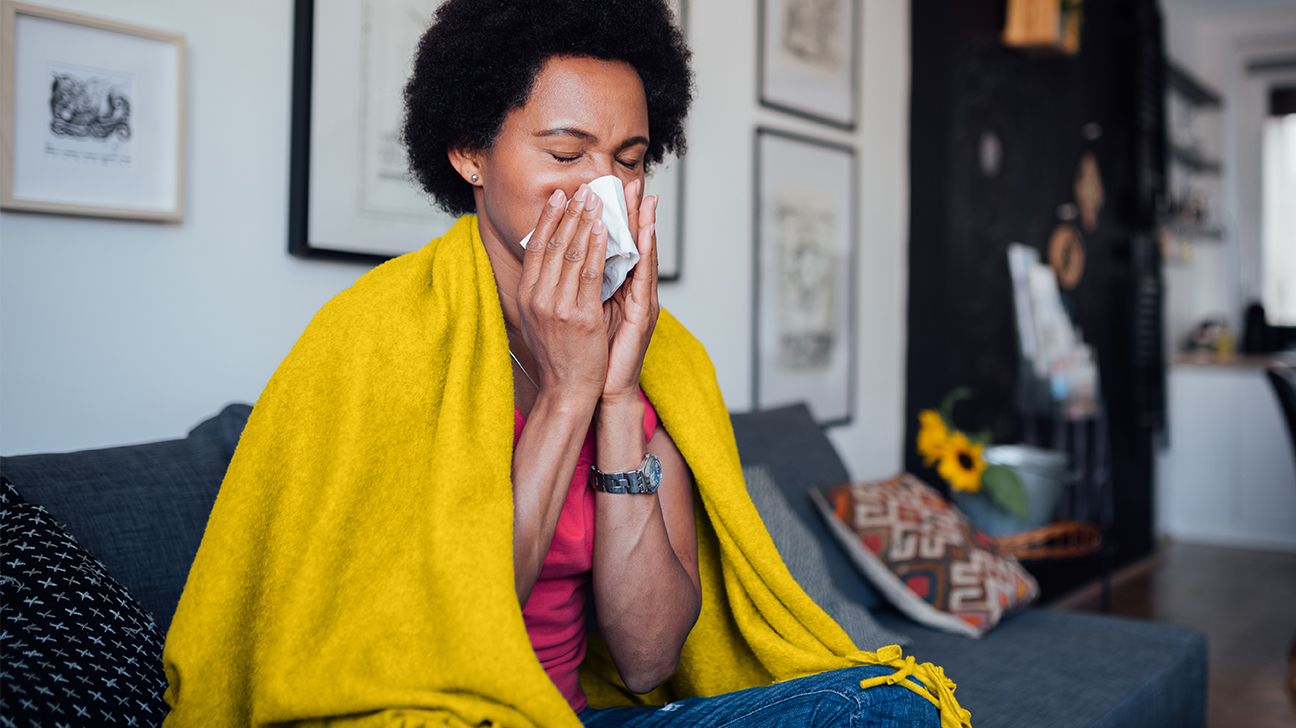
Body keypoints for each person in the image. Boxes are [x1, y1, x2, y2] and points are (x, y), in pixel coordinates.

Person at [163, 2, 963, 726]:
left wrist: (615, 397)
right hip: (438, 710)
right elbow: (451, 638)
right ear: (470, 153)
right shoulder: (376, 334)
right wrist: (565, 394)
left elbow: (650, 659)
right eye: (566, 152)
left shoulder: (663, 358)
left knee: (884, 710)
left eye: (628, 159)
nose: (602, 191)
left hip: (582, 716)